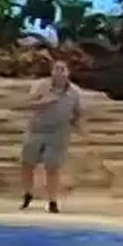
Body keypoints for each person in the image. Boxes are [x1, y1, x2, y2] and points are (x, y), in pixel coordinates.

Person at [19, 60, 83, 214]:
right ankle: (28, 194)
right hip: (37, 129)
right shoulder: (41, 86)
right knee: (27, 163)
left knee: (52, 168)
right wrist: (44, 102)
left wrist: (77, 125)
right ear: (52, 71)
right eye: (56, 69)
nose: (59, 72)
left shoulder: (74, 92)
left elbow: (78, 112)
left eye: (63, 69)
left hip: (58, 132)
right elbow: (28, 104)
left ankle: (52, 201)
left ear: (68, 72)